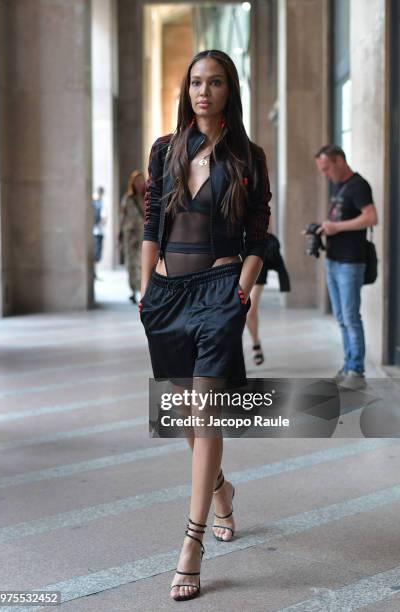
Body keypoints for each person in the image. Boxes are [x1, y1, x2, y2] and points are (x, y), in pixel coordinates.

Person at [139, 49, 271, 602]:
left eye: (215, 83)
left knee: (205, 406)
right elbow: (152, 220)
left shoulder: (248, 155)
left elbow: (261, 233)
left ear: (228, 90)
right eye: (196, 82)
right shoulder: (166, 150)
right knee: (185, 415)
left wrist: (241, 289)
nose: (203, 91)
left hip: (220, 294)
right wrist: (147, 290)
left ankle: (191, 544)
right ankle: (219, 486)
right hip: (168, 294)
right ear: (186, 89)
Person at [315, 145, 378, 390]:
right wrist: (323, 227)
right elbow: (340, 218)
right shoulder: (338, 186)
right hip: (333, 259)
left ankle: (357, 370)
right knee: (341, 317)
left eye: (327, 168)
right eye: (322, 170)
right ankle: (348, 364)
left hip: (350, 262)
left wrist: (337, 228)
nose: (325, 174)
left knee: (351, 317)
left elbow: (371, 217)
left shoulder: (359, 185)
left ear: (340, 160)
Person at [246, 234, 290, 366]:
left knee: (249, 310)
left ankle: (255, 343)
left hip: (256, 262)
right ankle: (236, 355)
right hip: (235, 260)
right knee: (234, 312)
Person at [119, 170, 145, 304]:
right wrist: (123, 236)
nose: (140, 184)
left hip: (145, 237)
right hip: (131, 236)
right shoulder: (128, 199)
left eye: (142, 181)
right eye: (137, 182)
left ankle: (142, 290)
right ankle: (133, 290)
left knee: (143, 264)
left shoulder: (148, 198)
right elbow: (123, 219)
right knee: (131, 264)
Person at [92, 186, 106, 268]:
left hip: (97, 230)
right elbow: (103, 219)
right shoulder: (99, 202)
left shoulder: (97, 202)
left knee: (97, 253)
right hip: (97, 230)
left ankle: (94, 271)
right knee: (97, 254)